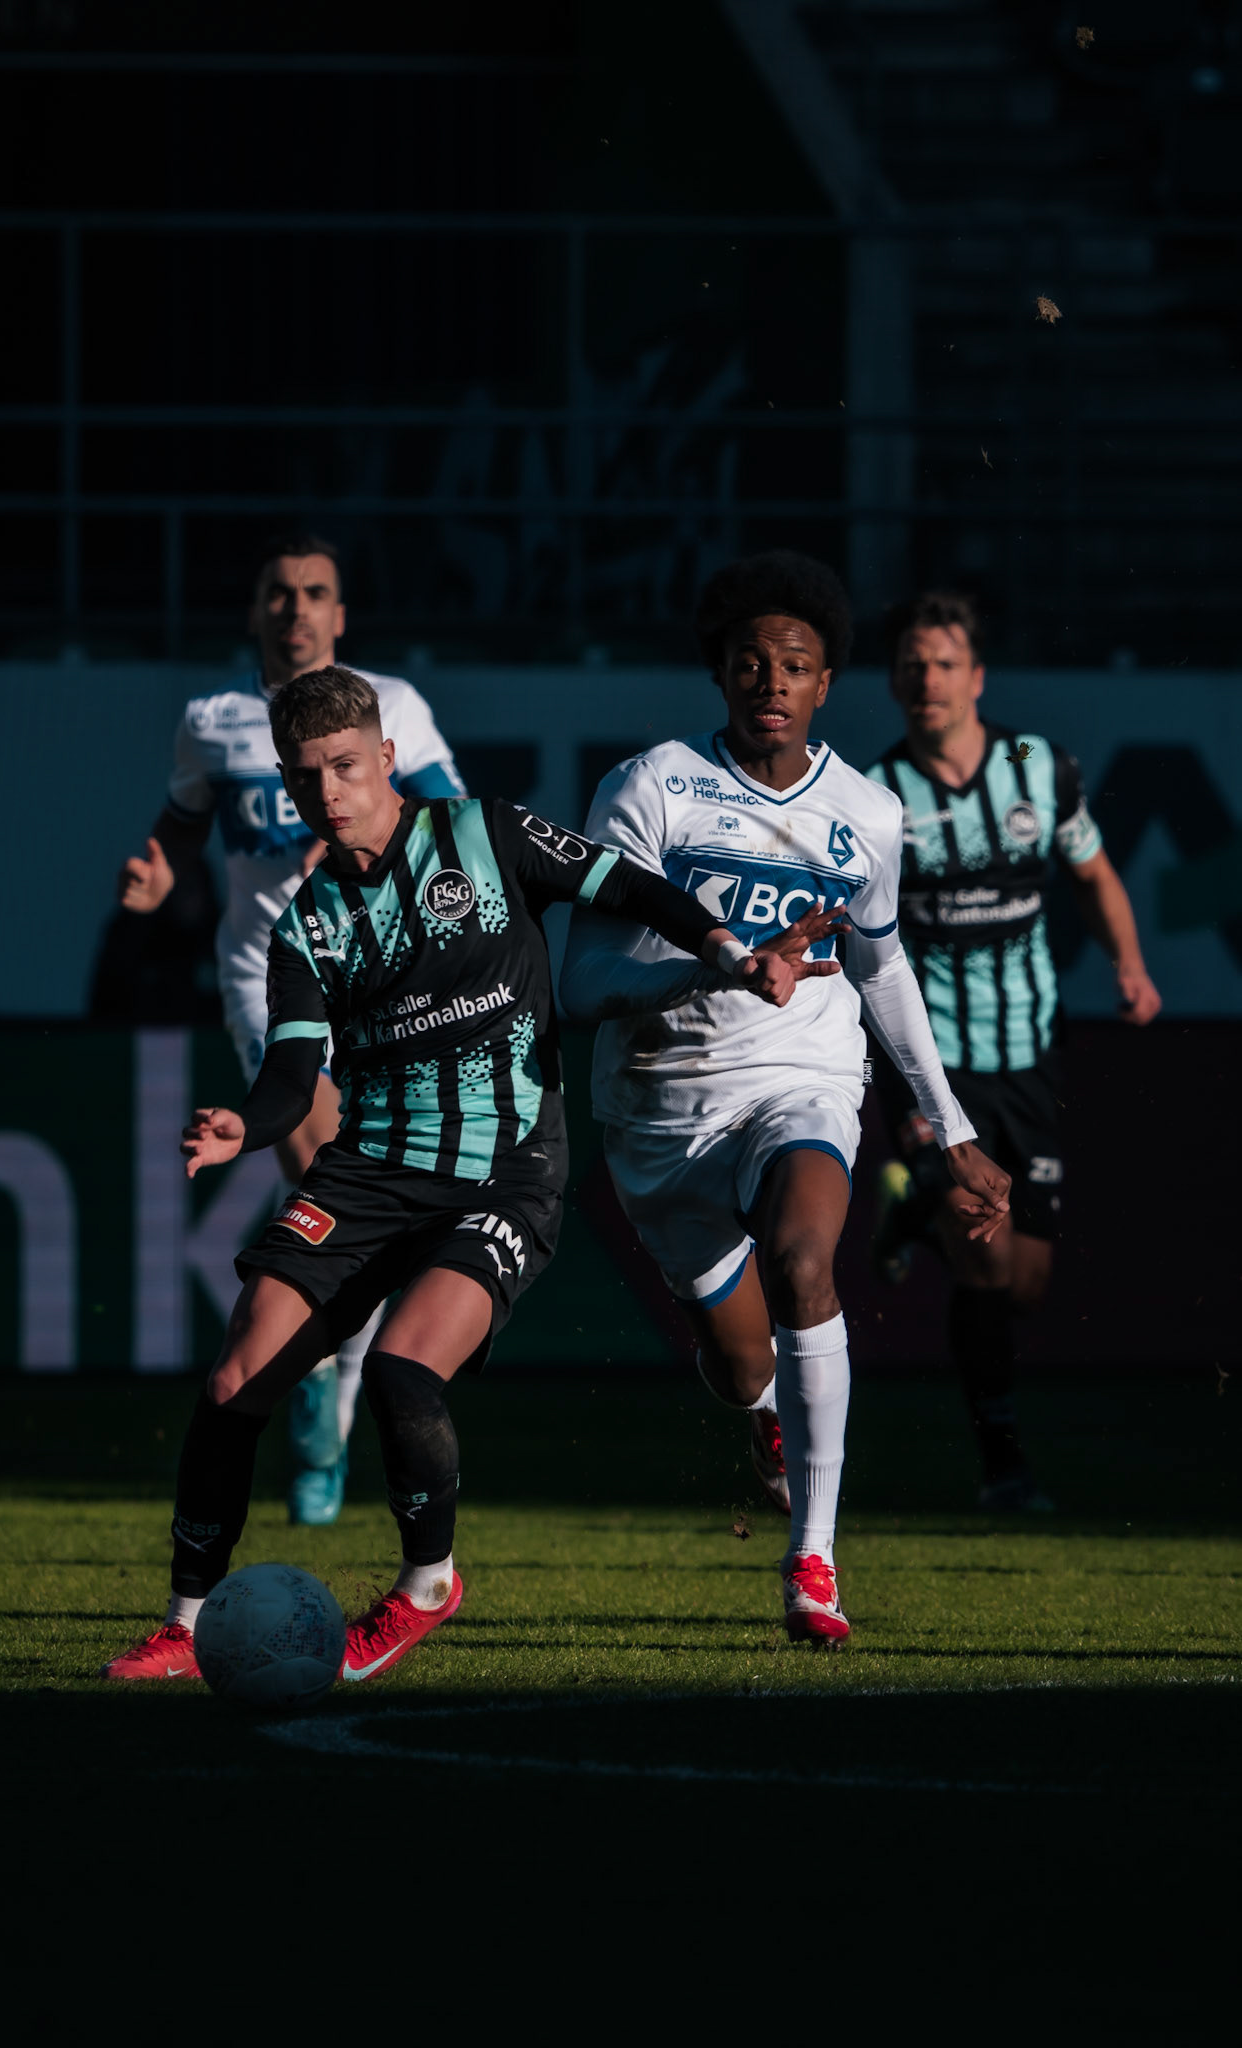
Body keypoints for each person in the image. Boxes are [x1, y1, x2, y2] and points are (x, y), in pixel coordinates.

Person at [101, 666, 806, 1685]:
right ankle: (185, 1615)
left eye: (345, 766)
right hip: (370, 1173)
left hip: (504, 1172)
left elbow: (628, 884)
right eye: (305, 780)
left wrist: (731, 951)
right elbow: (292, 1078)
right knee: (232, 1380)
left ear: (387, 758)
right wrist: (240, 1127)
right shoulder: (306, 928)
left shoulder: (486, 833)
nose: (327, 793)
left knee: (400, 1370)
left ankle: (426, 1583)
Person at [559, 551, 1011, 1646]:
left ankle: (813, 1558)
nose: (771, 679)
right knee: (742, 1360)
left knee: (808, 1259)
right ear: (721, 674)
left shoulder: (867, 815)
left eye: (795, 665)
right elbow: (583, 984)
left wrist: (950, 1125)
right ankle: (765, 1415)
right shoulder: (652, 787)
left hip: (801, 1077)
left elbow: (883, 967)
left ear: (824, 684)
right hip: (659, 1112)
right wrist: (712, 963)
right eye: (751, 662)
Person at [117, 533, 464, 1526]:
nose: (298, 608)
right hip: (268, 976)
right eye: (280, 592)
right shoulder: (216, 721)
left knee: (365, 1209)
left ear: (342, 614)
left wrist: (362, 828)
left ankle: (333, 1384)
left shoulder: (393, 706)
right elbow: (182, 822)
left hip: (384, 977)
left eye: (317, 592)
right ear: (255, 612)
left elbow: (451, 823)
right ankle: (328, 1396)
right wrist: (158, 872)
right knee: (330, 1183)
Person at [867, 592, 1160, 1508]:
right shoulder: (876, 795)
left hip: (1029, 1052)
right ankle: (1003, 1465)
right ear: (892, 681)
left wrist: (1130, 965)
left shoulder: (1041, 767)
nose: (927, 680)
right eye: (912, 665)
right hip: (934, 1066)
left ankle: (909, 1209)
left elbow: (1093, 874)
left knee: (1024, 1283)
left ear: (977, 678)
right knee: (984, 1264)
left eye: (943, 663)